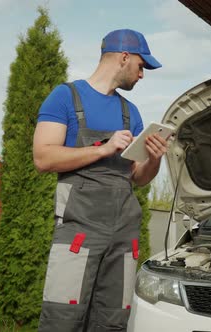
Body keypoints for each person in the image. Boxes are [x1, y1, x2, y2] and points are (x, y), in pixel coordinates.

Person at [32, 29, 167, 331]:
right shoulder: (66, 97)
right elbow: (43, 158)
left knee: (113, 320)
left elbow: (137, 177)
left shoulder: (129, 112)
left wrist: (155, 159)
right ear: (124, 57)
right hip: (79, 230)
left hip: (123, 232)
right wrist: (103, 148)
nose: (142, 75)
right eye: (141, 66)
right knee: (62, 319)